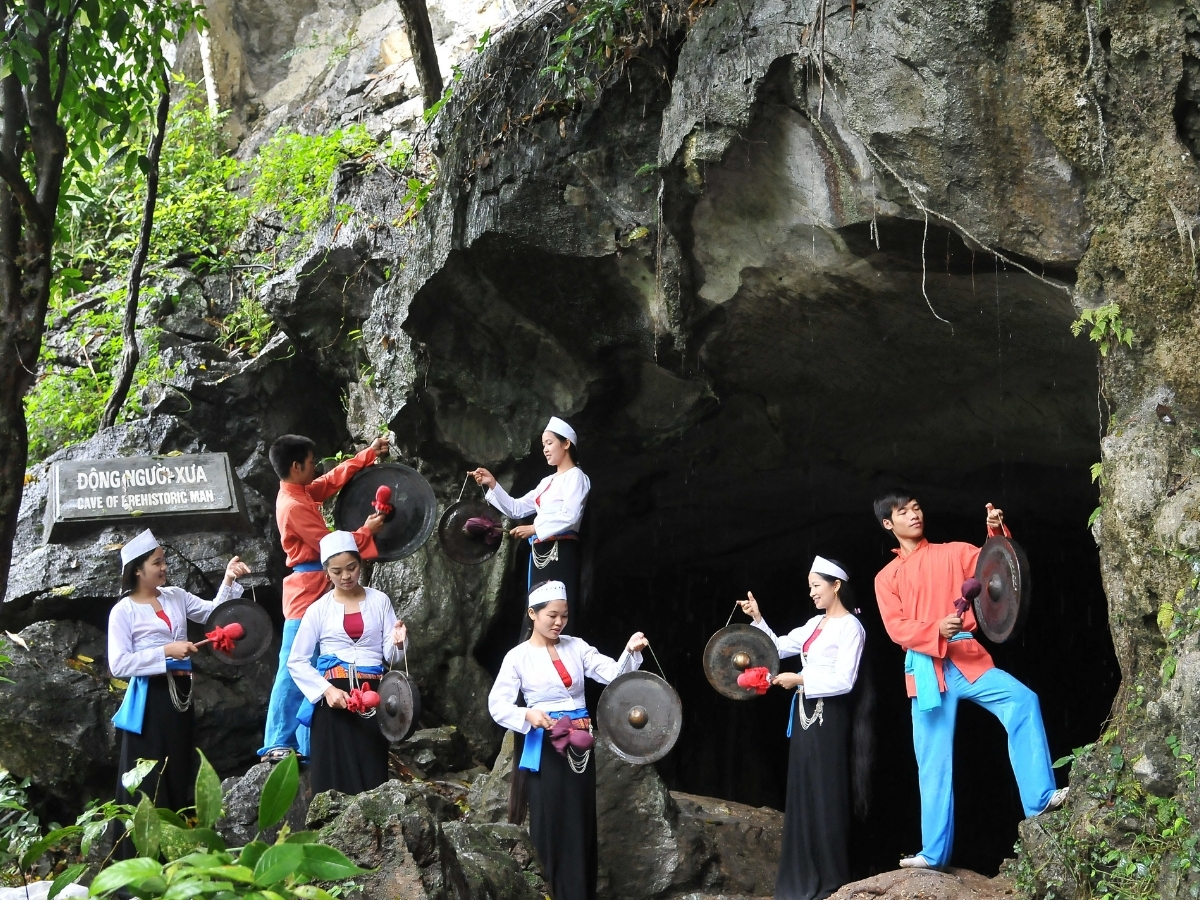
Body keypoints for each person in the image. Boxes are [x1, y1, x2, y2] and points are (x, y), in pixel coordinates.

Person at [872, 492, 1067, 870]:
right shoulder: (886, 578)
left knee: (1023, 701)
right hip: (927, 671)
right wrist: (934, 628)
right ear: (887, 524)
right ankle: (933, 854)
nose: (914, 515)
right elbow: (896, 629)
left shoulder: (953, 552)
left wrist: (996, 531)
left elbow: (996, 566)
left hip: (965, 659)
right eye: (902, 512)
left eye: (916, 507)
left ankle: (1040, 798)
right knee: (932, 762)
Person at [488, 580, 647, 900]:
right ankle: (555, 890)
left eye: (564, 616)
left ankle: (581, 892)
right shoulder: (517, 657)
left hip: (580, 746)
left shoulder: (577, 647)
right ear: (532, 614)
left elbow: (614, 676)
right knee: (553, 820)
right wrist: (527, 715)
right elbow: (497, 704)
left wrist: (630, 651)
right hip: (546, 745)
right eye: (552, 616)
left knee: (580, 819)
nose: (559, 622)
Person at [739, 557, 866, 900]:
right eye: (809, 586)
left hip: (830, 713)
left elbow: (845, 679)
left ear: (836, 585)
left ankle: (830, 878)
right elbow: (778, 647)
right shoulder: (814, 624)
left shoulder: (851, 627)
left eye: (816, 586)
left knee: (826, 790)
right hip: (805, 713)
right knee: (803, 789)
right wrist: (758, 619)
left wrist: (801, 678)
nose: (811, 593)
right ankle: (800, 879)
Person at [259, 433, 389, 763]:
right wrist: (367, 532)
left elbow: (329, 482)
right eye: (311, 462)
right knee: (293, 665)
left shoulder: (298, 490)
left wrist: (366, 456)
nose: (316, 467)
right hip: (306, 591)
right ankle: (277, 740)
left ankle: (305, 743)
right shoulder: (292, 506)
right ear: (295, 466)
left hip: (320, 585)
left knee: (318, 665)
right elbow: (330, 545)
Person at [108, 529, 249, 826]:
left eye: (164, 561)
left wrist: (228, 580)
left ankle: (175, 846)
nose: (164, 568)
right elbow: (119, 664)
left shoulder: (175, 596)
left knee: (177, 768)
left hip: (181, 695)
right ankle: (139, 850)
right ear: (137, 570)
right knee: (148, 772)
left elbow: (213, 613)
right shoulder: (124, 611)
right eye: (157, 563)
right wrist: (166, 651)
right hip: (151, 697)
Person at [288, 531, 407, 795]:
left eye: (351, 568)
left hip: (373, 696)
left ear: (360, 563)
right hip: (334, 699)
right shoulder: (317, 609)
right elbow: (296, 660)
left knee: (372, 769)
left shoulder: (380, 601)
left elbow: (391, 656)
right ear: (326, 572)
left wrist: (398, 642)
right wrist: (326, 691)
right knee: (332, 776)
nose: (346, 576)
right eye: (337, 571)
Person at [469, 416, 589, 635]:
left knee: (555, 608)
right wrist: (492, 484)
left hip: (561, 551)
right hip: (540, 551)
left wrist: (534, 529)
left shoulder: (576, 477)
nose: (545, 449)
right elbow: (516, 509)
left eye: (549, 443)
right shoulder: (546, 482)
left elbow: (570, 516)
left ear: (566, 443)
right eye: (543, 445)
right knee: (536, 607)